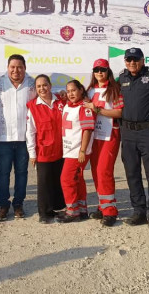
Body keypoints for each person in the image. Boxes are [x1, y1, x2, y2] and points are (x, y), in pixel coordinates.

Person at [117, 47, 149, 231]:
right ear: (125, 61)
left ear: (143, 60)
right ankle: (139, 211)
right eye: (128, 60)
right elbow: (106, 92)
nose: (132, 63)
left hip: (148, 132)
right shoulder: (121, 77)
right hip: (127, 133)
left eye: (135, 59)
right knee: (132, 174)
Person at [0, 54, 36, 220]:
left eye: (20, 67)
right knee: (3, 172)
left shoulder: (32, 84)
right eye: (13, 67)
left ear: (25, 68)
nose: (16, 70)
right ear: (8, 67)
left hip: (24, 138)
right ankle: (3, 205)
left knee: (22, 172)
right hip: (2, 138)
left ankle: (18, 204)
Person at [83, 59, 123, 227]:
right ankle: (102, 205)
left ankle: (110, 211)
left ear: (108, 71)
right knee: (95, 172)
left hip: (109, 135)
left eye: (103, 69)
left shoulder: (114, 89)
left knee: (104, 171)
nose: (99, 72)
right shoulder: (90, 90)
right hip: (94, 135)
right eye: (96, 69)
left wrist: (97, 109)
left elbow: (119, 112)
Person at [26, 74, 66, 223]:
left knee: (58, 180)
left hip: (61, 149)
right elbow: (30, 132)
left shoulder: (61, 101)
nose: (42, 88)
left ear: (50, 85)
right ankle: (44, 213)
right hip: (43, 151)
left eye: (45, 85)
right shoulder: (33, 106)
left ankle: (59, 208)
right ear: (35, 89)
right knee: (44, 183)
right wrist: (32, 153)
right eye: (39, 86)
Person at [56, 80, 95, 223]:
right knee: (77, 180)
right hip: (70, 150)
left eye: (73, 90)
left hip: (78, 151)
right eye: (68, 91)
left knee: (66, 179)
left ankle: (72, 211)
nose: (71, 93)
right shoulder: (68, 105)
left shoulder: (84, 107)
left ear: (81, 90)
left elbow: (88, 130)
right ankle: (81, 209)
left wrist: (83, 151)